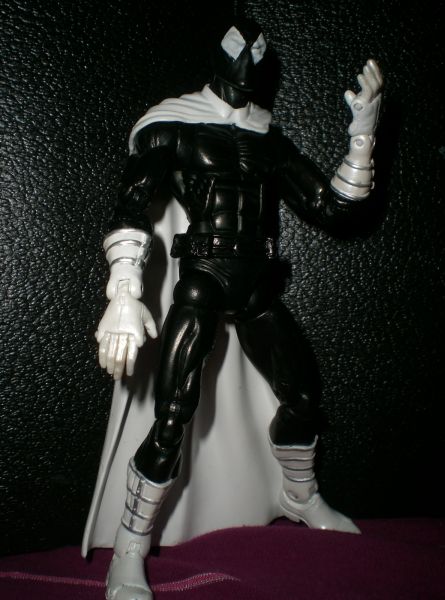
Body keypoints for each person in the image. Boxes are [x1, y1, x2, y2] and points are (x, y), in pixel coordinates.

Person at [87, 19, 382, 600]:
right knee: (172, 415)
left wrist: (362, 135)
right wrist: (123, 290)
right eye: (236, 48)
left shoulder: (268, 139)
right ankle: (130, 543)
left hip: (256, 287)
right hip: (202, 280)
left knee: (302, 395)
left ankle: (299, 495)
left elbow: (332, 207)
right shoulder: (173, 125)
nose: (248, 60)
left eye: (257, 50)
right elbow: (132, 204)